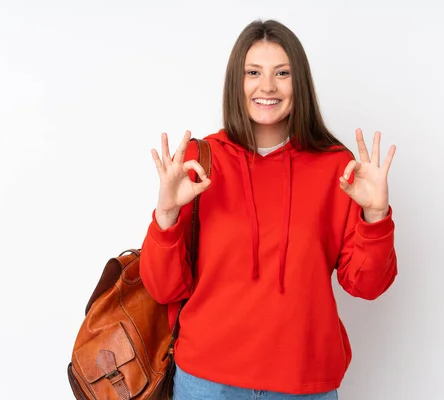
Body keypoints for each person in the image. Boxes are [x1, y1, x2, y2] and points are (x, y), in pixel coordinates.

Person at [140, 19, 397, 400]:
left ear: (300, 83)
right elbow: (163, 288)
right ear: (236, 82)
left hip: (304, 383)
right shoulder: (199, 161)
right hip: (208, 383)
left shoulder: (337, 168)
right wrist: (166, 216)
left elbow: (367, 286)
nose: (267, 87)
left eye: (282, 73)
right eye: (253, 72)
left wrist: (376, 216)